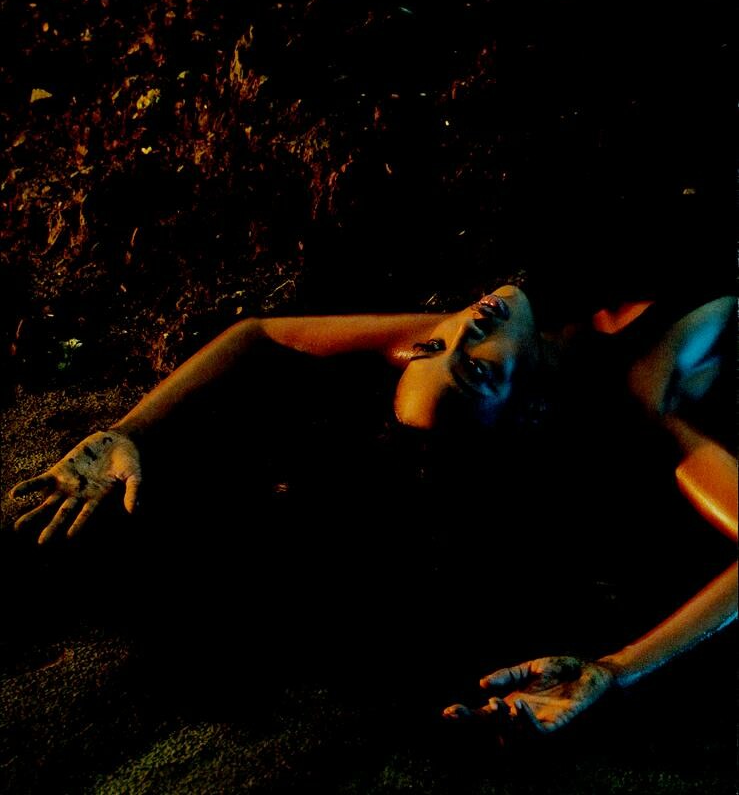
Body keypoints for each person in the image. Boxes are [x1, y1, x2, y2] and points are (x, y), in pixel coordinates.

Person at [8, 284, 737, 736]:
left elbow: (258, 332)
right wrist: (620, 668)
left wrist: (130, 429)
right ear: (527, 410)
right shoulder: (638, 397)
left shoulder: (476, 332)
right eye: (471, 365)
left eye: (435, 344)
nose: (460, 330)